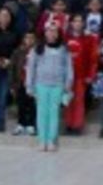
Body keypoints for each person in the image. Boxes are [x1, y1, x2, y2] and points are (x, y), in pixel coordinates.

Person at [25, 23, 73, 152]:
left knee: (54, 113)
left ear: (58, 34)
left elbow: (69, 68)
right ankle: (42, 140)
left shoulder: (64, 49)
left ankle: (52, 140)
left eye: (54, 31)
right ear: (44, 33)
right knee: (41, 113)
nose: (52, 34)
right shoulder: (37, 49)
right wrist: (30, 85)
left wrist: (68, 84)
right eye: (49, 31)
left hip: (57, 85)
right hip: (41, 84)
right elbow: (31, 68)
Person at [64, 15, 98, 135]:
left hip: (81, 75)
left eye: (80, 21)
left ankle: (77, 125)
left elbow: (93, 58)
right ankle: (68, 124)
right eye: (75, 21)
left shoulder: (89, 39)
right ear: (71, 23)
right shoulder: (65, 38)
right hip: (66, 76)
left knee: (79, 101)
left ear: (84, 24)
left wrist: (91, 75)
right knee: (67, 100)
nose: (78, 23)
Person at [10, 31, 37, 136]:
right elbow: (12, 68)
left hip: (33, 83)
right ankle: (21, 124)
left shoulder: (38, 51)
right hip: (20, 82)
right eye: (27, 38)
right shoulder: (18, 52)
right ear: (23, 39)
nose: (29, 40)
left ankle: (31, 125)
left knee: (32, 104)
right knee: (21, 104)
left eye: (32, 38)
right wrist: (12, 84)